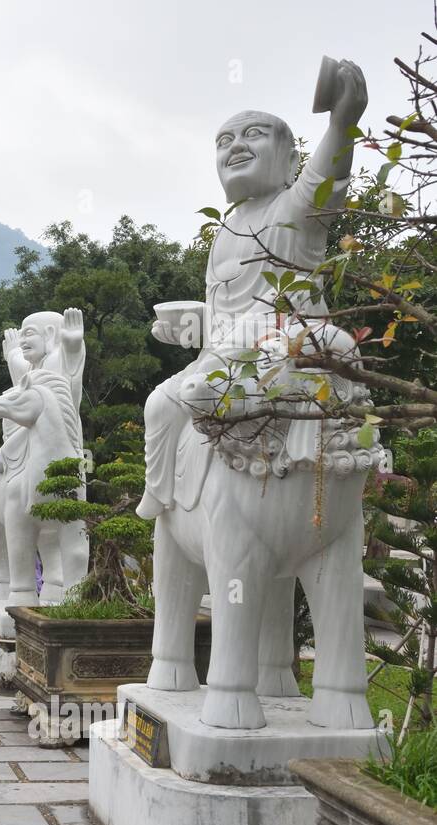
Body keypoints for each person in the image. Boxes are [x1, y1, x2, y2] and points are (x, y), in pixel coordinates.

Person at [137, 60, 368, 519]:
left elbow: (328, 181)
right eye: (224, 141)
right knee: (159, 404)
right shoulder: (225, 229)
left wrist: (342, 125)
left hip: (285, 333)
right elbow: (223, 312)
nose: (236, 145)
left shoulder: (293, 207)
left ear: (292, 161)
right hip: (224, 349)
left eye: (254, 135)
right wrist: (191, 325)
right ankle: (159, 489)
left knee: (224, 385)